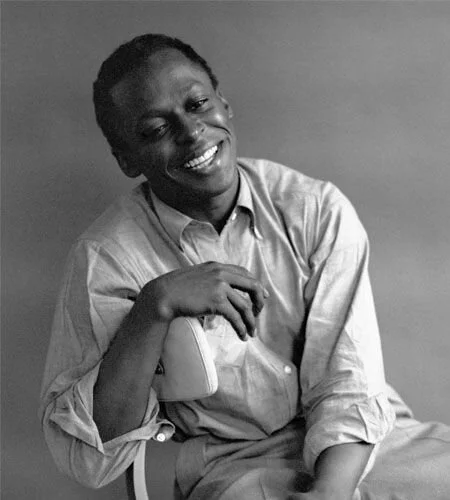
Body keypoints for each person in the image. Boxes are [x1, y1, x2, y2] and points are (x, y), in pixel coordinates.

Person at [39, 34, 450, 500]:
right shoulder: (106, 257)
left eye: (198, 104)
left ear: (225, 104)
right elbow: (94, 453)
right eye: (156, 129)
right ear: (127, 160)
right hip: (233, 462)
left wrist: (330, 492)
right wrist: (155, 306)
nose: (191, 132)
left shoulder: (315, 209)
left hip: (360, 444)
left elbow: (349, 380)